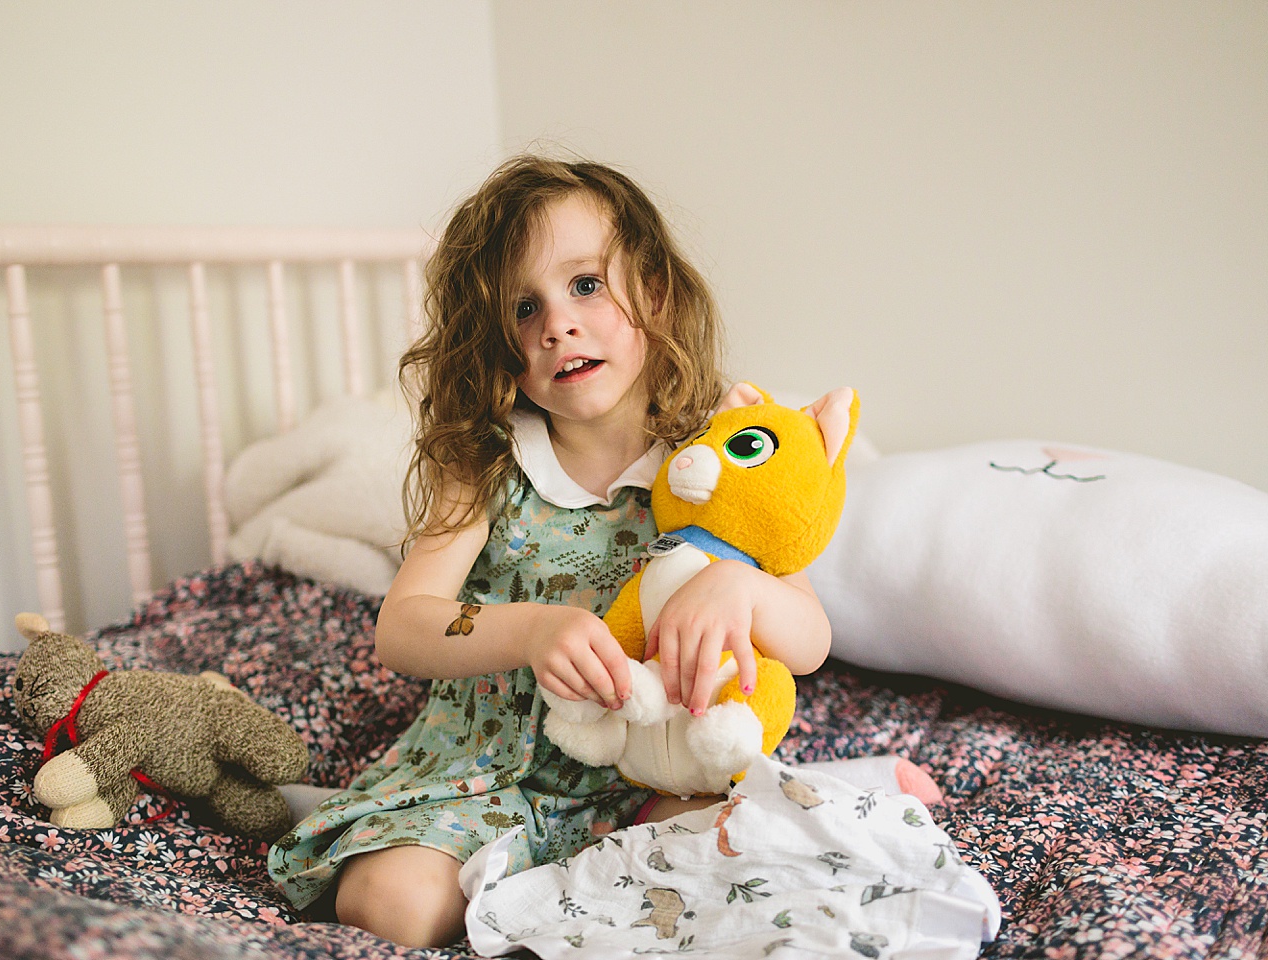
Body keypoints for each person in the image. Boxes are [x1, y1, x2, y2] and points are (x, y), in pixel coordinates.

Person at [267, 155, 936, 948]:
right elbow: (404, 628)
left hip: (650, 777)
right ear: (497, 344)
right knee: (390, 905)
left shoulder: (711, 456)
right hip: (491, 774)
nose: (557, 324)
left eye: (586, 284)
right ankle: (549, 883)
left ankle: (584, 882)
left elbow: (813, 640)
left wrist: (739, 590)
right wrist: (531, 630)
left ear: (654, 292)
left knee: (764, 862)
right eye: (523, 308)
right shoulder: (487, 461)